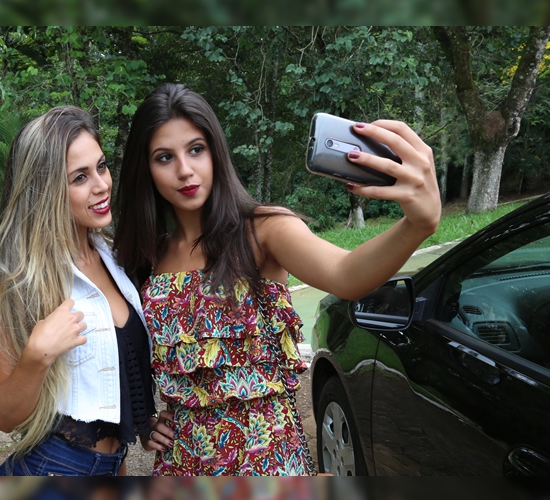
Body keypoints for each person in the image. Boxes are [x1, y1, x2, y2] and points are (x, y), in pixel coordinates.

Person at [113, 83, 441, 476]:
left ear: (216, 151)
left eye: (196, 149)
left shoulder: (261, 230)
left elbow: (346, 274)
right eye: (164, 157)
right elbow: (128, 355)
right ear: (145, 169)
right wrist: (145, 420)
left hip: (268, 467)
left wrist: (417, 225)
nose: (185, 169)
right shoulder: (146, 258)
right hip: (182, 467)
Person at [0, 106, 156, 476]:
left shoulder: (114, 259)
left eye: (101, 167)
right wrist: (36, 357)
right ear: (46, 190)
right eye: (79, 177)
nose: (101, 185)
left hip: (111, 467)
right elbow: (2, 416)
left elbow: (114, 380)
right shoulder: (22, 280)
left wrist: (146, 424)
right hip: (54, 468)